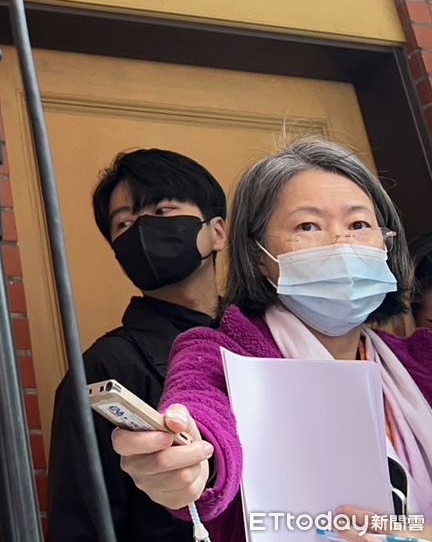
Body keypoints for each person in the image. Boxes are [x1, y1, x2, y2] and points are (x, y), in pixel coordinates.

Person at [112, 137, 432, 542]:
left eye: (358, 225)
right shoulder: (219, 355)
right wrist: (189, 462)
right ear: (259, 256)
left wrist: (409, 532)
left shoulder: (422, 360)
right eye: (308, 226)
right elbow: (203, 418)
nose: (341, 242)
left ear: (386, 245)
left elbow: (402, 528)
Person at [47, 149, 228, 542]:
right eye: (124, 223)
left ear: (217, 232)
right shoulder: (104, 367)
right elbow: (81, 525)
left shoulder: (266, 334)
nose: (143, 230)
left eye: (162, 211)